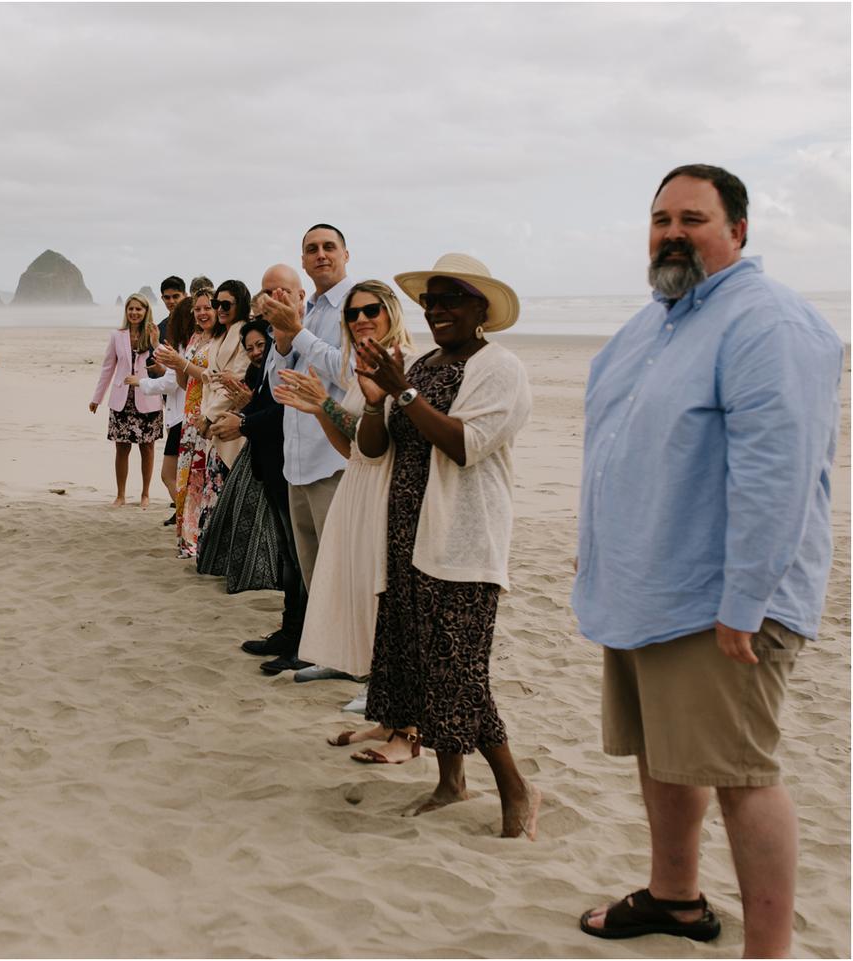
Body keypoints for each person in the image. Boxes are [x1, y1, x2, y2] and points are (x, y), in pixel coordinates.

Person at [574, 165, 842, 956]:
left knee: (740, 772)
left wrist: (745, 599)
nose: (672, 233)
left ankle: (770, 949)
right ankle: (675, 898)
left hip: (721, 601)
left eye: (693, 218)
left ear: (740, 230)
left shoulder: (767, 322)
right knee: (665, 752)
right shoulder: (652, 325)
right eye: (660, 219)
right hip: (647, 587)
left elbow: (778, 471)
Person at [351, 253, 538, 841]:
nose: (437, 311)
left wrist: (402, 390)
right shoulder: (424, 364)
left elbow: (466, 444)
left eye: (451, 299)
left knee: (459, 671)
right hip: (404, 539)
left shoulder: (499, 367)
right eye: (430, 301)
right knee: (420, 667)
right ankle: (451, 781)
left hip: (463, 541)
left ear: (481, 308)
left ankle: (516, 788)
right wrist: (380, 396)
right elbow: (375, 446)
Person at [276, 281, 413, 691]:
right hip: (357, 479)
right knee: (348, 579)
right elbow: (351, 445)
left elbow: (378, 439)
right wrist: (320, 410)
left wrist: (327, 404)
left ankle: (379, 682)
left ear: (392, 311)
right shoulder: (362, 365)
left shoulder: (400, 362)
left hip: (383, 488)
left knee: (376, 586)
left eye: (371, 311)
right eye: (352, 315)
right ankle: (352, 662)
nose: (361, 320)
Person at [257, 225, 356, 674]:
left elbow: (345, 371)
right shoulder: (309, 308)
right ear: (303, 260)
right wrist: (283, 339)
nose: (320, 255)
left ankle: (343, 655)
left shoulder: (356, 306)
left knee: (339, 568)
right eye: (311, 249)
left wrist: (296, 332)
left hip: (333, 455)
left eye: (328, 247)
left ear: (345, 254)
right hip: (297, 457)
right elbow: (280, 379)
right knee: (313, 568)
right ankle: (322, 651)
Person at [236, 266, 309, 671]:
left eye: (283, 291)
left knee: (301, 559)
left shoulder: (299, 338)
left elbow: (283, 405)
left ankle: (303, 640)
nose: (274, 298)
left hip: (296, 462)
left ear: (301, 298)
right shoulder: (269, 341)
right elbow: (266, 396)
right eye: (267, 292)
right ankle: (289, 631)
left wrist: (244, 421)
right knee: (287, 555)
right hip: (274, 462)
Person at [154, 284, 244, 558]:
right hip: (189, 414)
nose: (204, 313)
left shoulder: (221, 340)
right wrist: (174, 364)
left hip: (206, 412)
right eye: (199, 309)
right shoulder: (194, 339)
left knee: (202, 481)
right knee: (185, 480)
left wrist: (181, 362)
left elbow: (211, 376)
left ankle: (201, 544)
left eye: (209, 308)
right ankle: (188, 541)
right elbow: (185, 381)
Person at [198, 318, 281, 593]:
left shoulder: (276, 369)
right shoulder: (257, 373)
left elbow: (274, 410)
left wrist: (243, 417)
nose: (256, 352)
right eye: (250, 348)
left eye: (260, 345)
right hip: (256, 448)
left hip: (273, 450)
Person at [90, 293, 164, 507]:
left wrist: (155, 343)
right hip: (121, 399)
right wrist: (97, 398)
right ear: (126, 311)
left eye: (138, 309)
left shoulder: (153, 334)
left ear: (146, 311)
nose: (134, 313)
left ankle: (145, 494)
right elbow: (107, 368)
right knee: (121, 448)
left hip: (148, 398)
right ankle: (121, 494)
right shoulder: (117, 335)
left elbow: (162, 363)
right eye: (131, 309)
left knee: (147, 448)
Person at [138, 295, 196, 525]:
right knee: (183, 476)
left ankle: (188, 518)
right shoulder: (190, 343)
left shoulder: (186, 344)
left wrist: (139, 383)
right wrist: (155, 346)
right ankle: (186, 517)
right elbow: (171, 373)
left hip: (183, 416)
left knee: (169, 475)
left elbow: (171, 381)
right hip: (182, 415)